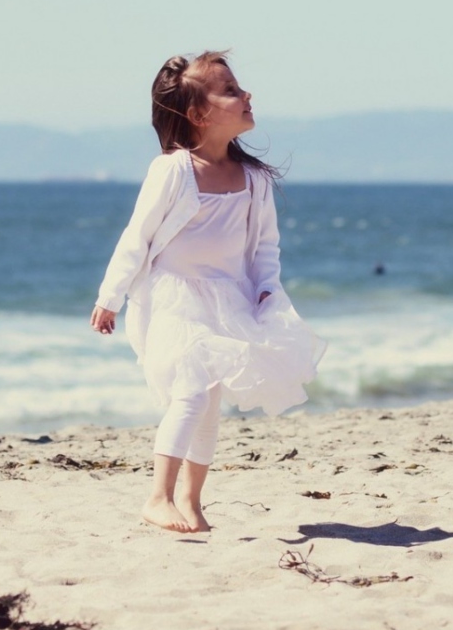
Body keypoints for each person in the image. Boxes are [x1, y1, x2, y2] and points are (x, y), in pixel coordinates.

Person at [91, 51, 325, 533]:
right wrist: (109, 296)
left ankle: (192, 501)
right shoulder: (174, 171)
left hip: (229, 300)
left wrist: (265, 291)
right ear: (198, 115)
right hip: (175, 299)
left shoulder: (254, 180)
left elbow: (264, 246)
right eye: (231, 90)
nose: (246, 95)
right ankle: (158, 497)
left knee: (211, 404)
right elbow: (136, 236)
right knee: (192, 391)